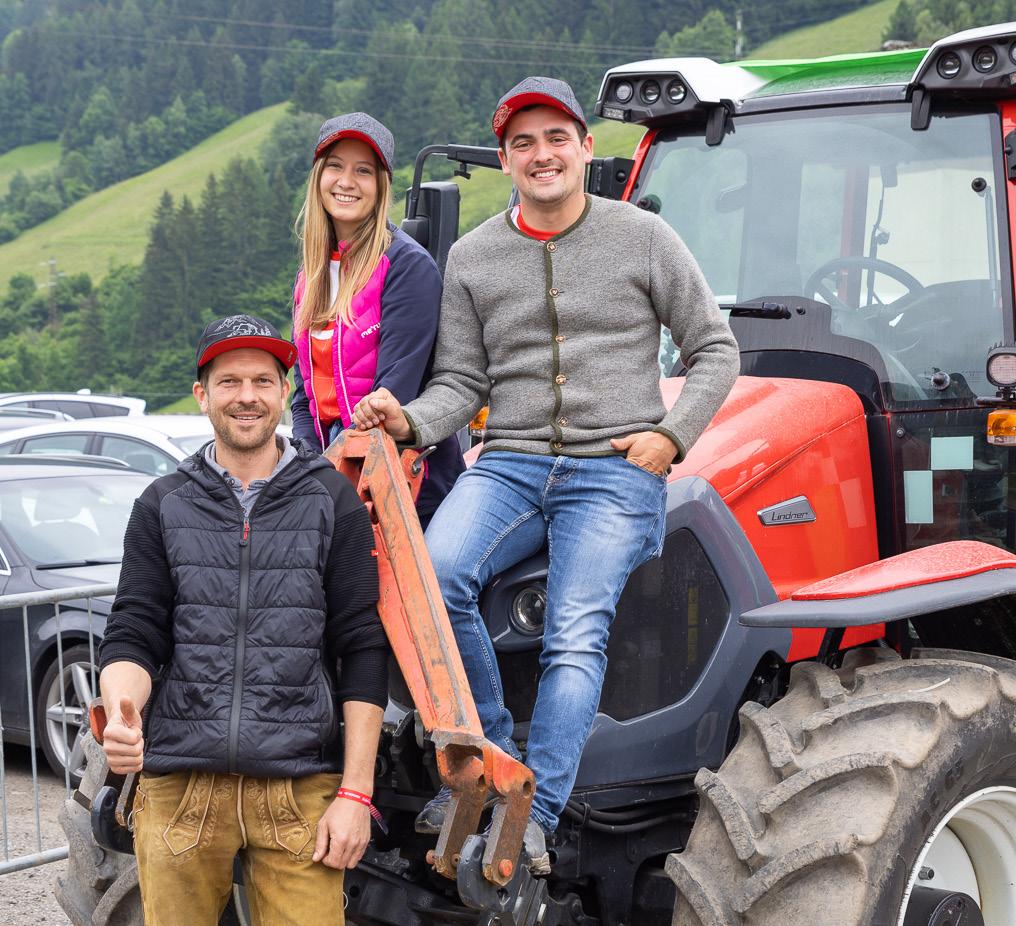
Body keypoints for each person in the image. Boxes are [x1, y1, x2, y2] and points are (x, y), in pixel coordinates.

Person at [352, 77, 740, 873]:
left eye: (556, 137)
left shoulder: (643, 238)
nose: (541, 154)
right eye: (523, 143)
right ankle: (493, 758)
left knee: (575, 631)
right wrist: (409, 420)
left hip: (613, 469)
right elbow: (462, 382)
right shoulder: (474, 257)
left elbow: (715, 349)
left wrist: (669, 437)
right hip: (513, 463)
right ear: (504, 160)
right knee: (436, 576)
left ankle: (538, 812)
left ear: (586, 147)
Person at [98, 314, 389, 925]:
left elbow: (362, 646)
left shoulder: (330, 499)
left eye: (262, 380)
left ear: (285, 392)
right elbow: (134, 630)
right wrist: (122, 714)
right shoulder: (163, 503)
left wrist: (356, 793)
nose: (247, 396)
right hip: (180, 789)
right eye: (229, 382)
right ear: (202, 395)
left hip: (299, 789)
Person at [291, 112, 463, 526]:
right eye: (335, 166)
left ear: (381, 185)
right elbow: (303, 396)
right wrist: (310, 466)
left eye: (363, 171)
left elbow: (393, 394)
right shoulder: (310, 276)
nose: (346, 181)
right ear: (318, 177)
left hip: (402, 483)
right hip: (334, 469)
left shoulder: (407, 266)